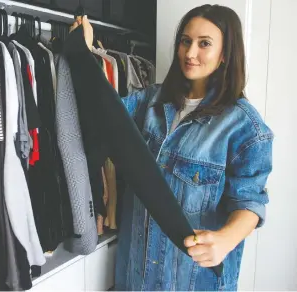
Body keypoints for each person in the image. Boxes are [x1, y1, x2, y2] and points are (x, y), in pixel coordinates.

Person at [70, 4, 273, 291]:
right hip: (135, 276)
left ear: (225, 53)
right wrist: (86, 52)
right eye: (185, 41)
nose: (190, 53)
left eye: (204, 44)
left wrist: (225, 240)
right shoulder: (151, 101)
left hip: (189, 280)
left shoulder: (245, 127)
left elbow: (251, 202)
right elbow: (104, 114)